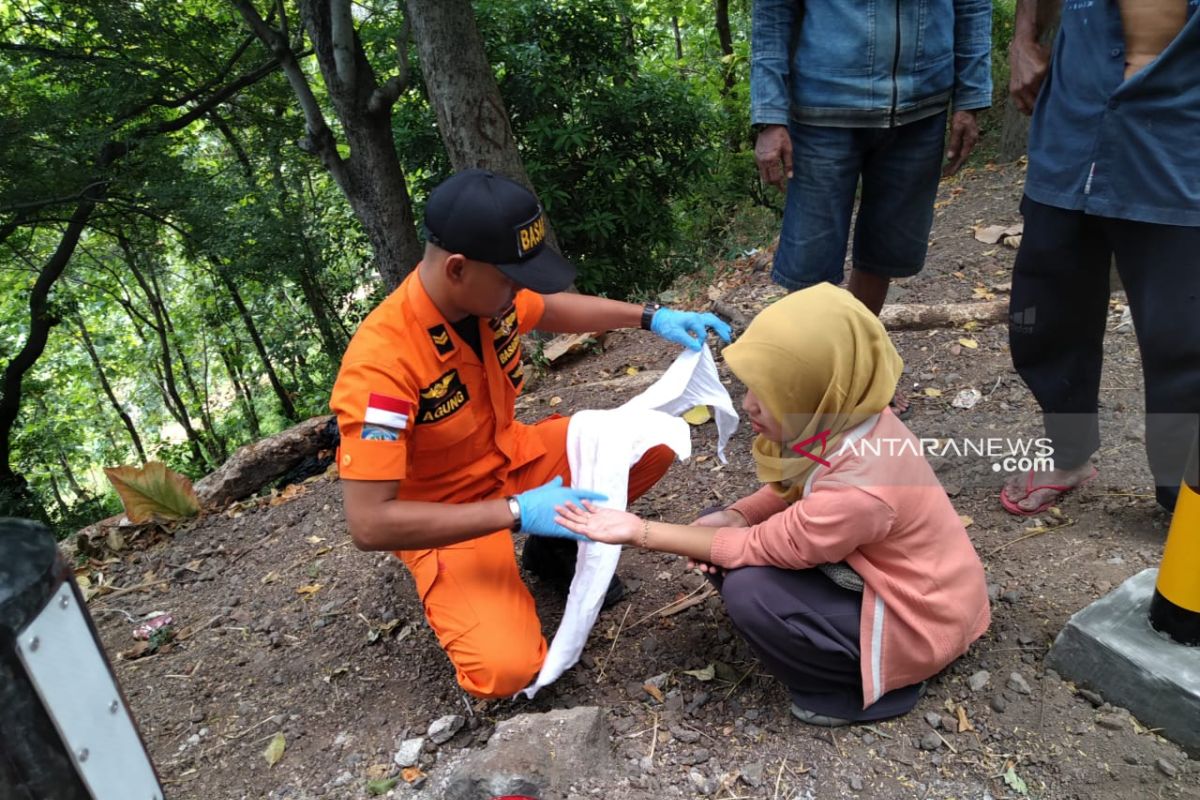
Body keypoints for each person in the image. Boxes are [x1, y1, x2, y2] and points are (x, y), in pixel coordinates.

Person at [329, 169, 730, 699]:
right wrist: (517, 512)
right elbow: (370, 523)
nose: (520, 291)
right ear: (457, 268)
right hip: (449, 512)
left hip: (514, 460)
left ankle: (551, 546)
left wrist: (649, 317)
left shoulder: (487, 294)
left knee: (652, 440)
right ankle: (510, 546)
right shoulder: (382, 367)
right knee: (507, 668)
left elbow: (552, 308)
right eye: (512, 279)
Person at [556, 285, 990, 725]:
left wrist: (636, 530)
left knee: (751, 591)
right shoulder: (853, 414)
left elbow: (764, 543)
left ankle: (871, 689)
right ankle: (835, 638)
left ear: (816, 390)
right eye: (750, 388)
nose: (748, 405)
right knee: (727, 546)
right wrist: (738, 515)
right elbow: (798, 491)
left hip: (922, 621)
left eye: (771, 392)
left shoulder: (863, 491)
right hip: (923, 586)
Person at [1000, 0, 1200, 516]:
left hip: (1179, 145)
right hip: (1072, 129)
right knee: (1042, 317)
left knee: (1184, 335)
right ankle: (1068, 452)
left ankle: (1184, 493)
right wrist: (1024, 39)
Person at [751, 0, 992, 414]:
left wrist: (971, 97)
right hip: (821, 110)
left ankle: (855, 372)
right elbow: (772, 15)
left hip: (922, 109)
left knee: (884, 252)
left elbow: (972, 5)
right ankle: (810, 379)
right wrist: (770, 114)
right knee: (810, 264)